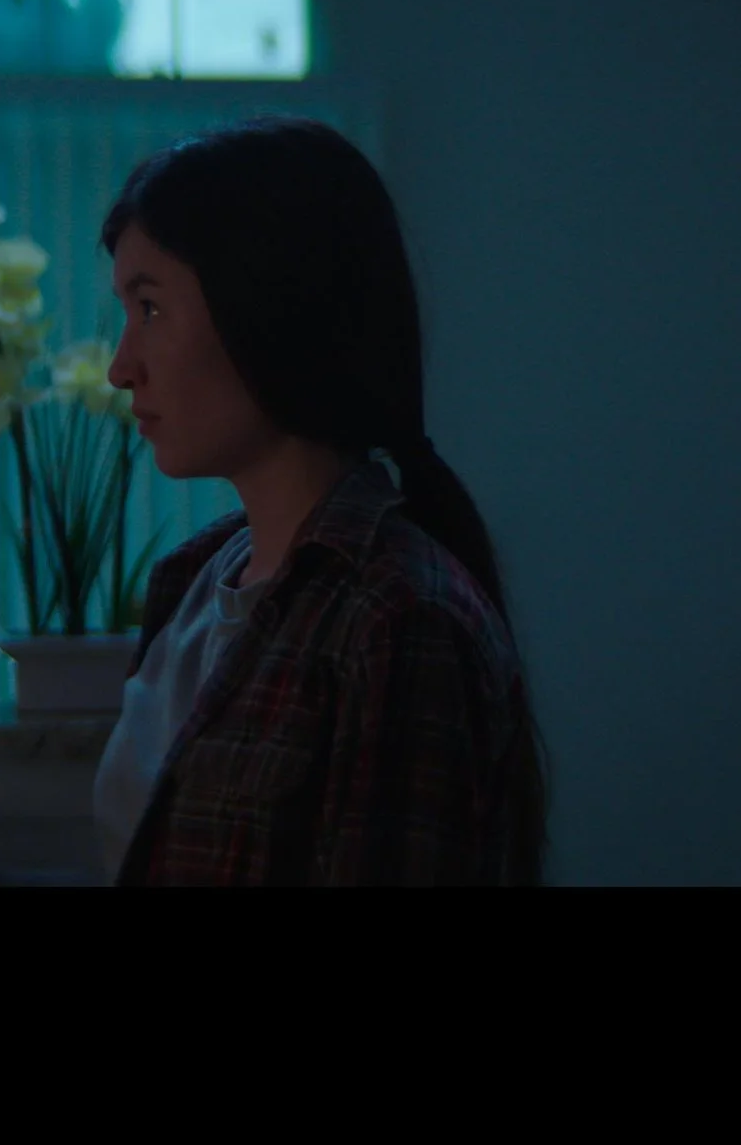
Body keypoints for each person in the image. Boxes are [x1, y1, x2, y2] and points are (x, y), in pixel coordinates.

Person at [92, 115, 548, 886]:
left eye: (152, 309)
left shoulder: (398, 621)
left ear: (264, 310)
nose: (120, 365)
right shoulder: (195, 582)